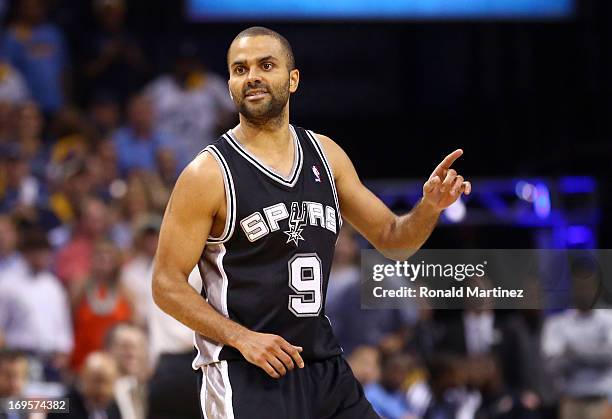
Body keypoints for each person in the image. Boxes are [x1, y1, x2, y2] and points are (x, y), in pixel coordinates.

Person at [152, 26, 471, 419]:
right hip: (244, 370)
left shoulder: (326, 155)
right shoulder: (208, 173)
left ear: (292, 79)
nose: (251, 76)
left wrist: (430, 206)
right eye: (240, 69)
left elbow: (393, 240)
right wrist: (243, 339)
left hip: (323, 366)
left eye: (265, 65)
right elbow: (165, 283)